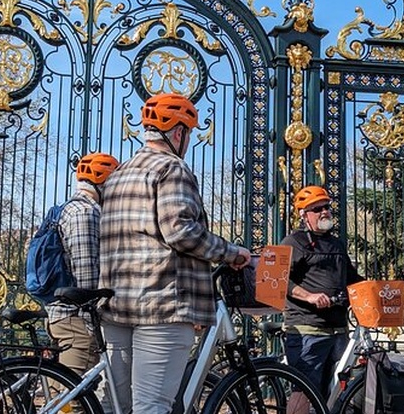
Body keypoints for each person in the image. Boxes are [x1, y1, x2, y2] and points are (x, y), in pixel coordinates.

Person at [98, 93, 252, 414]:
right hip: (161, 305)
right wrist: (231, 252)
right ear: (178, 133)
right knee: (152, 406)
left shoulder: (117, 176)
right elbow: (182, 232)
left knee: (117, 407)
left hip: (116, 306)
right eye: (189, 133)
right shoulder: (171, 168)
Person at [281, 185, 363, 412]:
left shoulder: (337, 244)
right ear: (303, 215)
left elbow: (353, 279)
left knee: (336, 393)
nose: (324, 211)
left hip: (338, 330)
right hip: (308, 330)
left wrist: (378, 289)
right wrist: (309, 296)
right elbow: (279, 280)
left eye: (326, 206)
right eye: (317, 209)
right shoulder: (293, 242)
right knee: (304, 391)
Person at [45, 152, 119, 375]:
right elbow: (86, 276)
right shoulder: (84, 214)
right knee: (72, 400)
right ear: (104, 182)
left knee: (65, 393)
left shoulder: (72, 209)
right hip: (76, 320)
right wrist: (92, 324)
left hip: (67, 317)